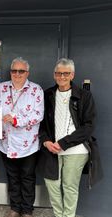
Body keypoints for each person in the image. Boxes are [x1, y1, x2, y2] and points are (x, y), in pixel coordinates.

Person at [38, 58, 95, 217]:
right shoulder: (48, 94)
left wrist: (64, 143)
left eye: (66, 73)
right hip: (52, 149)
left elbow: (88, 126)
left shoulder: (84, 96)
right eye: (58, 73)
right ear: (54, 75)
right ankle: (59, 215)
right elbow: (41, 123)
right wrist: (46, 141)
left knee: (69, 186)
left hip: (76, 150)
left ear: (72, 75)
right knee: (52, 184)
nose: (62, 76)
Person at [0, 57, 44, 217]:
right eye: (14, 70)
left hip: (28, 142)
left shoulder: (36, 90)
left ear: (27, 72)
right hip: (6, 141)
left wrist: (17, 120)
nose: (17, 74)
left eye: (21, 71)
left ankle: (27, 210)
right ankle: (15, 208)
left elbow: (38, 114)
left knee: (27, 177)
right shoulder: (2, 87)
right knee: (12, 176)